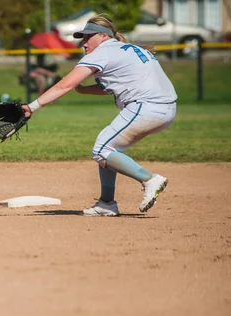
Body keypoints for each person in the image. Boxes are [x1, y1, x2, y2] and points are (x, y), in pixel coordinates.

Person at [21, 14, 177, 216]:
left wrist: (32, 107)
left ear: (103, 36)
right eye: (82, 38)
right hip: (165, 108)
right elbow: (114, 86)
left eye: (88, 37)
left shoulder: (102, 52)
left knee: (102, 149)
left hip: (146, 107)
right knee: (108, 149)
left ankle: (149, 179)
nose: (83, 43)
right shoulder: (127, 49)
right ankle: (106, 203)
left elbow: (64, 85)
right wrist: (85, 90)